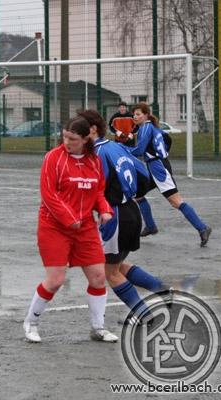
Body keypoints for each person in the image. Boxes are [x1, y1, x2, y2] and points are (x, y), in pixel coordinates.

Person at [23, 116, 118, 344]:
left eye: (72, 139)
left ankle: (98, 328)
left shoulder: (94, 161)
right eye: (65, 136)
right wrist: (68, 218)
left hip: (84, 227)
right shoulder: (53, 158)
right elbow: (49, 195)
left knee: (98, 277)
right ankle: (31, 323)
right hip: (54, 226)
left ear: (86, 139)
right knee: (55, 280)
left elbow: (98, 192)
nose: (66, 142)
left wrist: (105, 210)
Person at [79, 109, 167, 318]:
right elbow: (144, 174)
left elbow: (95, 188)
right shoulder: (116, 146)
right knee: (116, 265)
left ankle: (144, 314)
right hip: (131, 211)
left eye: (78, 129)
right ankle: (162, 290)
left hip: (114, 215)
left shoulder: (97, 155)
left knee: (110, 272)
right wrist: (131, 192)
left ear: (91, 130)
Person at [129, 102, 212, 247]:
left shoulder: (147, 127)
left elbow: (140, 150)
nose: (135, 117)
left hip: (159, 168)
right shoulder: (149, 128)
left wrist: (120, 149)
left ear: (146, 115)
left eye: (138, 114)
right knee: (137, 194)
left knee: (176, 201)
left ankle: (202, 228)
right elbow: (167, 140)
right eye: (134, 114)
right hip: (154, 166)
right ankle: (150, 226)